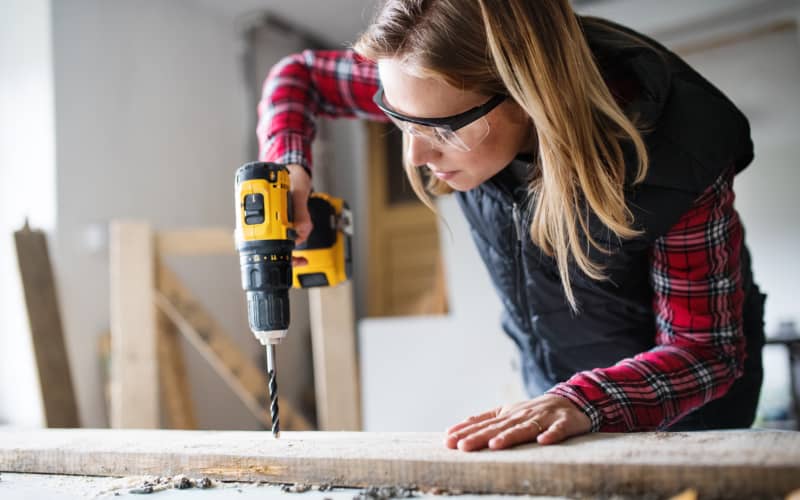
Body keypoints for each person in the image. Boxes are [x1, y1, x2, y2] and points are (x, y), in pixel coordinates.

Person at [257, 0, 766, 451]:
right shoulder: (429, 83)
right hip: (555, 399)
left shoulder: (680, 156)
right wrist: (288, 166)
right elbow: (298, 78)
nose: (415, 154)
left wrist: (584, 401)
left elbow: (704, 352)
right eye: (399, 120)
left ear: (527, 96)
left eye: (440, 131)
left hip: (687, 417)